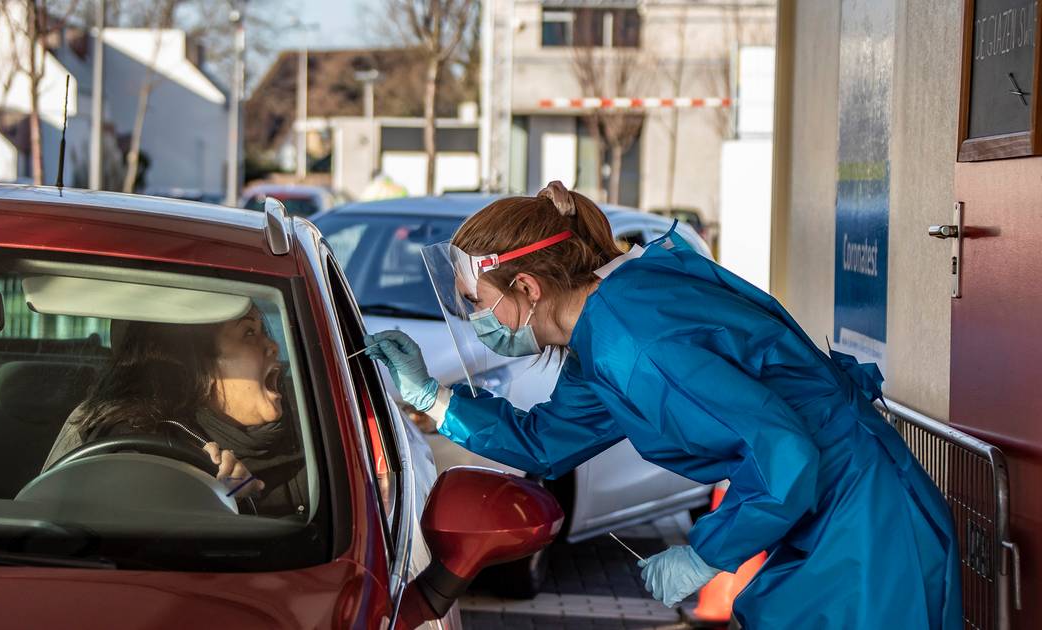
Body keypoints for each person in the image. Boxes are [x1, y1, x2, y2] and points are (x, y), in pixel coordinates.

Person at [365, 182, 961, 629]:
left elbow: (785, 454)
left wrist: (704, 556)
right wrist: (434, 398)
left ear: (527, 287)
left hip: (866, 527)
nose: (473, 320)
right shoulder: (604, 330)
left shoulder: (635, 344)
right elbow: (547, 442)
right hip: (828, 518)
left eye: (475, 302)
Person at [42, 307, 308, 516]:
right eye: (249, 332)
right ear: (202, 370)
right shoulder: (116, 434)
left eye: (262, 331)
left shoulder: (316, 436)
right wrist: (204, 497)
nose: (274, 345)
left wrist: (247, 501)